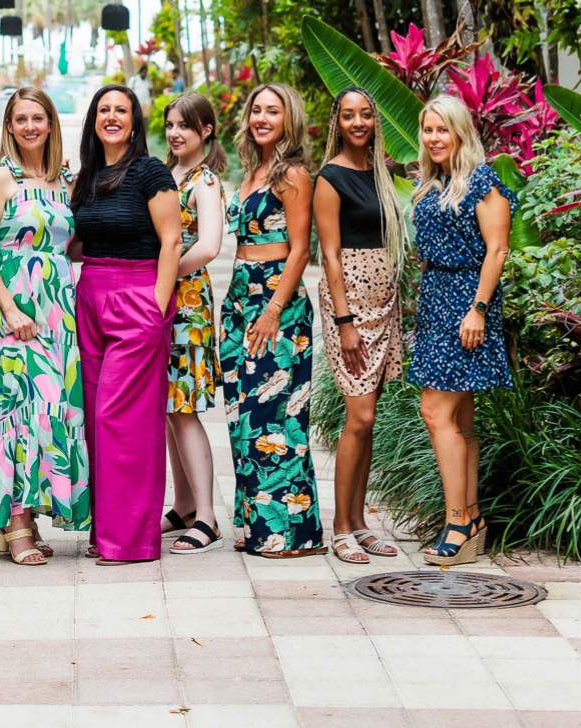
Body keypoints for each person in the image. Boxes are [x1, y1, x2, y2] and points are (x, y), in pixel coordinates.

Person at [0, 85, 90, 565]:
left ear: (51, 123)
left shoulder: (64, 180)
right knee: (15, 410)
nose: (30, 127)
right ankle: (15, 523)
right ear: (9, 126)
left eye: (37, 118)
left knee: (53, 410)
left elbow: (72, 245)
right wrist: (9, 309)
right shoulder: (1, 177)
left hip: (59, 309)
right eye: (20, 119)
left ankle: (30, 518)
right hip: (14, 306)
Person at [72, 83, 181, 564]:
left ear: (135, 121)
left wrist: (157, 309)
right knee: (96, 422)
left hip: (137, 298)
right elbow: (77, 242)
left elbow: (172, 242)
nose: (112, 117)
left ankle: (132, 541)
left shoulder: (150, 172)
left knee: (124, 422)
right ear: (93, 120)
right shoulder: (89, 175)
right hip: (91, 297)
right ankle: (106, 531)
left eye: (121, 110)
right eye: (104, 110)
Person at [411, 94, 516, 568]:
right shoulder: (434, 184)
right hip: (436, 300)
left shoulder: (482, 181)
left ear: (460, 132)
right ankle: (470, 520)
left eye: (442, 129)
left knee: (435, 411)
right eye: (428, 130)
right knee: (462, 420)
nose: (434, 138)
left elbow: (496, 251)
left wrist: (478, 309)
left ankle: (457, 520)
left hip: (465, 305)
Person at [221, 82, 323, 557]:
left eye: (272, 112)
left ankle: (292, 534)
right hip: (241, 295)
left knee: (277, 418)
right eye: (256, 110)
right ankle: (257, 526)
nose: (262, 118)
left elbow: (301, 248)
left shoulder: (294, 174)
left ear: (289, 120)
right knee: (243, 415)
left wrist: (273, 310)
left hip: (276, 298)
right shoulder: (251, 170)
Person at [313, 88, 406, 564]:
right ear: (338, 122)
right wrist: (345, 321)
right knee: (360, 417)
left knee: (369, 422)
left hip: (384, 302)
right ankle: (340, 528)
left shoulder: (383, 174)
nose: (358, 122)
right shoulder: (330, 177)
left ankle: (360, 521)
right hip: (349, 303)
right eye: (348, 115)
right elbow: (329, 254)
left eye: (365, 114)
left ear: (375, 119)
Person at [163, 90, 226, 554]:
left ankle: (206, 515)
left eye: (184, 125)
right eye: (169, 125)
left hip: (186, 303)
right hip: (160, 300)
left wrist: (164, 272)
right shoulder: (167, 175)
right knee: (168, 408)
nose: (175, 133)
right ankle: (183, 504)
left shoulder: (204, 182)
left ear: (206, 130)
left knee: (184, 408)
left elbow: (208, 246)